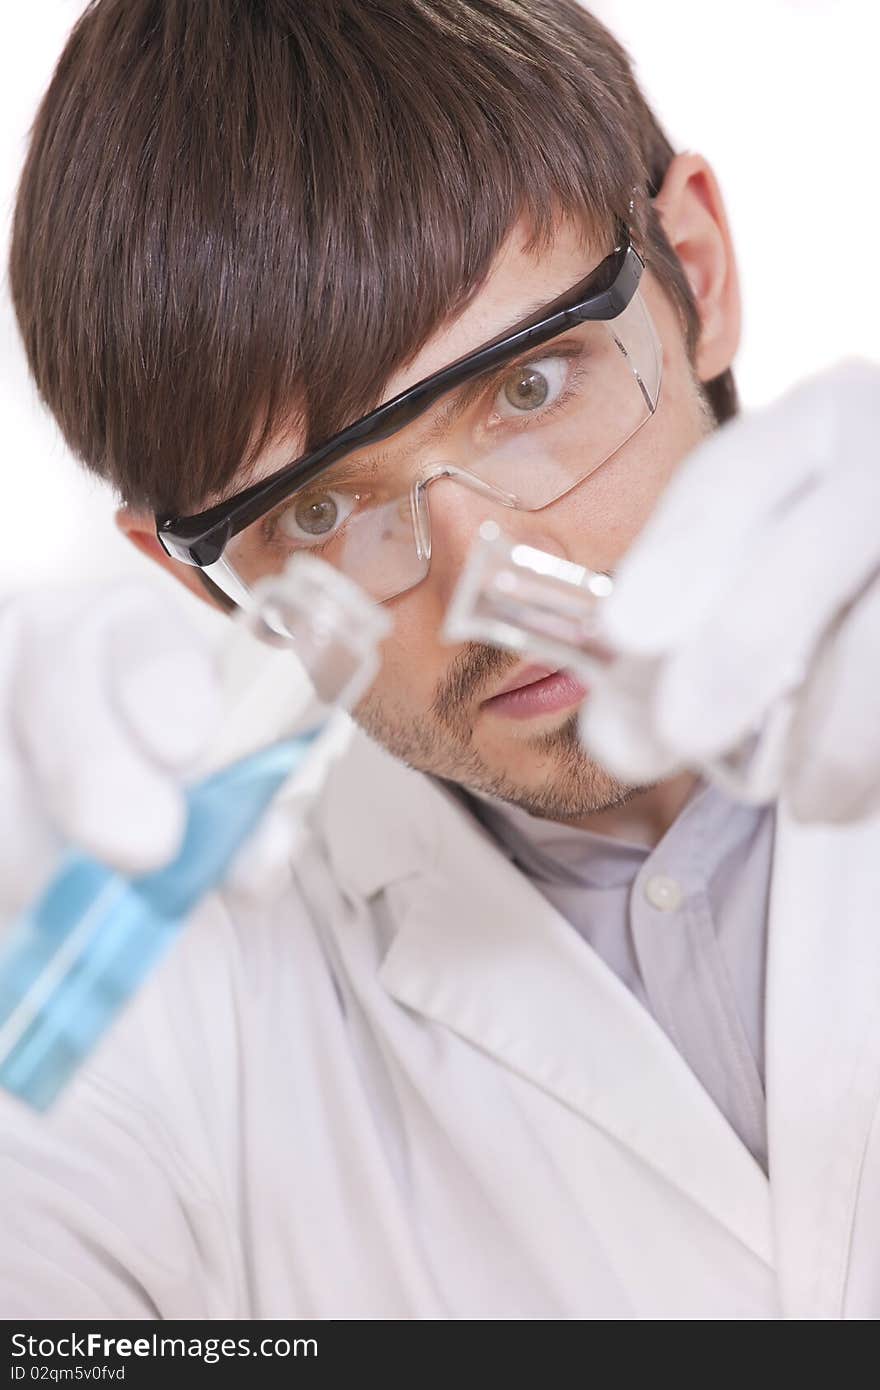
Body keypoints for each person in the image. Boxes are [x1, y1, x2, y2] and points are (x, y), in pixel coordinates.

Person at [1, 0, 878, 1320]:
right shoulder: (176, 1039)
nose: (482, 580)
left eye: (529, 389)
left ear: (694, 262)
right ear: (189, 576)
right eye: (317, 508)